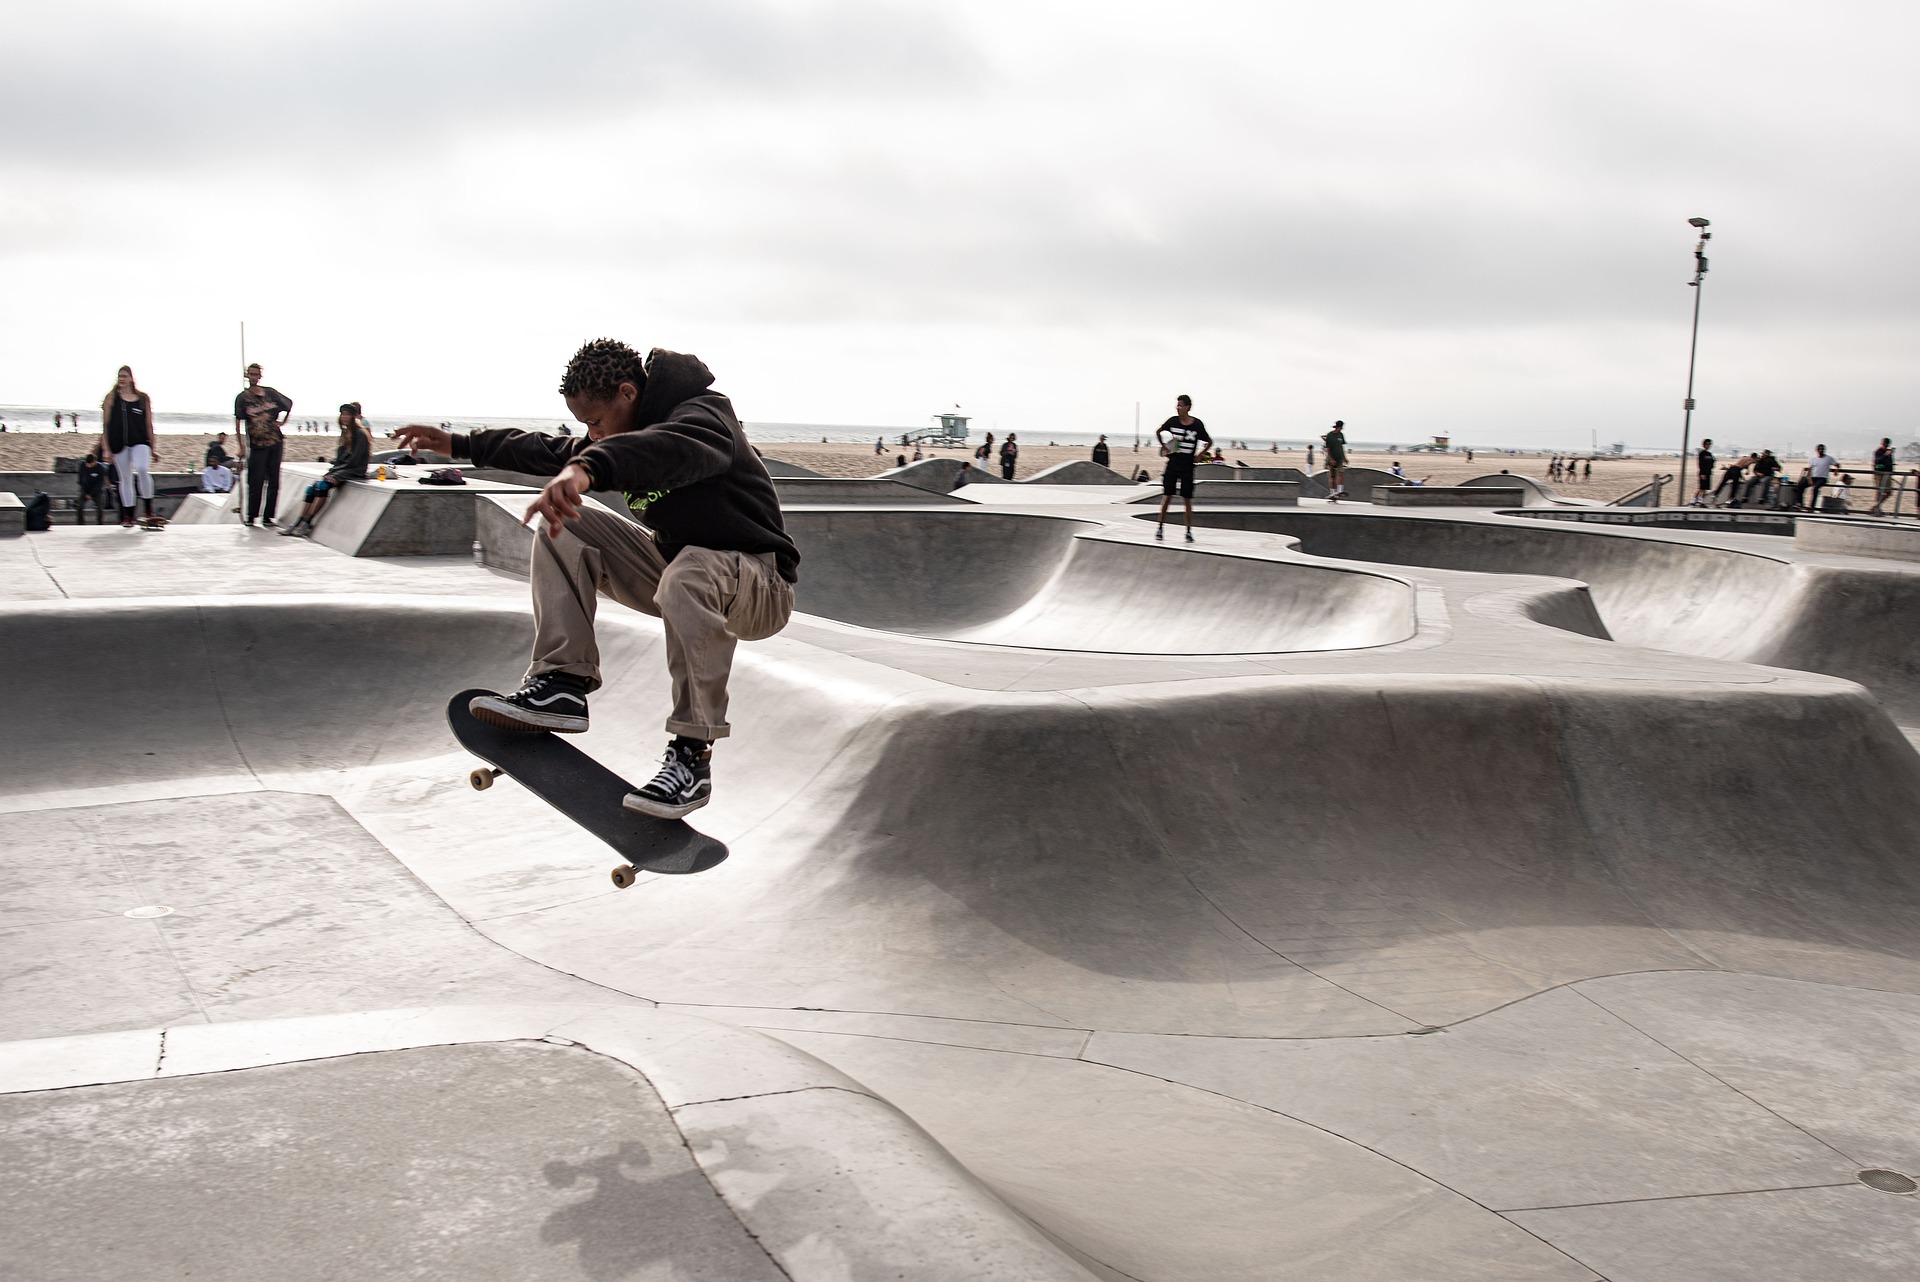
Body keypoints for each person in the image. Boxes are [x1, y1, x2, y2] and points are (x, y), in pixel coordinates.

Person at [392, 340, 797, 819]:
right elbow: (552, 450)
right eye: (586, 427)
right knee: (568, 524)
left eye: (596, 422)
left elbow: (665, 449)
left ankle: (693, 755)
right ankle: (563, 681)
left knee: (691, 571)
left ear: (628, 393)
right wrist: (460, 444)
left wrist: (588, 468)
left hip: (760, 585)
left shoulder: (704, 419)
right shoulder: (619, 432)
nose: (593, 435)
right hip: (678, 573)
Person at [281, 403, 372, 537]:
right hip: (343, 468)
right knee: (311, 489)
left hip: (354, 469)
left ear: (354, 417)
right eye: (343, 414)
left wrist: (336, 471)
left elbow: (355, 460)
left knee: (323, 485)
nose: (345, 417)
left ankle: (308, 522)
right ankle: (298, 522)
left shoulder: (360, 434)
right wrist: (334, 468)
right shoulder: (346, 433)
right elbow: (340, 457)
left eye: (348, 415)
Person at [234, 363, 294, 526]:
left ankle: (268, 516)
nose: (253, 377)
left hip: (275, 441)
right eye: (251, 374)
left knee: (274, 480)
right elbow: (238, 422)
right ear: (247, 376)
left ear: (260, 376)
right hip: (256, 443)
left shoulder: (271, 393)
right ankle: (251, 516)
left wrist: (282, 423)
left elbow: (289, 404)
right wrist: (241, 446)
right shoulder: (242, 397)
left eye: (256, 374)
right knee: (255, 480)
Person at [101, 365, 157, 526]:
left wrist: (153, 448)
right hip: (119, 444)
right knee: (125, 479)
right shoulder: (111, 398)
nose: (122, 379)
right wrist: (106, 449)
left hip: (140, 442)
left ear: (132, 378)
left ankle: (148, 509)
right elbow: (105, 425)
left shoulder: (142, 398)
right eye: (120, 376)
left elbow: (149, 424)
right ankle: (129, 515)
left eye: (125, 376)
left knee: (141, 468)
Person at [1153, 394, 1211, 541]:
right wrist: (1165, 447)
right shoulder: (1173, 422)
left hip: (1187, 466)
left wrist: (1200, 454)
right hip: (1173, 464)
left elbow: (1209, 441)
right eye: (1177, 405)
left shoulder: (1197, 425)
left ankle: (1189, 531)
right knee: (1167, 496)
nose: (1178, 408)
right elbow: (1158, 432)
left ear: (1188, 407)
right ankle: (1160, 527)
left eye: (1181, 405)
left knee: (1187, 499)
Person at [76, 448, 112, 525]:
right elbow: (81, 479)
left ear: (95, 462)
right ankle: (80, 523)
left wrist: (92, 494)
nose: (89, 466)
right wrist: (84, 491)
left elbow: (100, 483)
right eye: (87, 464)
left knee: (99, 507)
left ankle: (100, 523)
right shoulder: (82, 466)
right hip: (85, 489)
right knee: (80, 506)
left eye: (90, 464)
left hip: (96, 490)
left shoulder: (100, 468)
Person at [1322, 420, 1349, 501]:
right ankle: (1332, 492)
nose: (1340, 430)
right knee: (1332, 477)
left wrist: (1345, 458)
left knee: (1341, 473)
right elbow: (1328, 449)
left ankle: (1340, 491)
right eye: (1340, 428)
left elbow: (1341, 447)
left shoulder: (1341, 435)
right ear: (1337, 427)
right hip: (1331, 459)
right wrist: (1331, 459)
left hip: (1339, 458)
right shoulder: (1330, 435)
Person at [1806, 444, 1836, 513]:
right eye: (1819, 449)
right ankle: (1799, 503)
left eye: (1822, 449)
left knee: (1815, 488)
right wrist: (1809, 479)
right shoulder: (1813, 459)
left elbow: (1836, 464)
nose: (1821, 451)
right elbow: (1810, 470)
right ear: (1817, 450)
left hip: (1822, 478)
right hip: (1813, 477)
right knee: (1801, 484)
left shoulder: (1828, 458)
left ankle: (1812, 506)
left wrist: (1835, 471)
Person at [1870, 437, 1896, 515]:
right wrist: (1885, 455)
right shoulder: (1878, 451)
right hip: (1879, 473)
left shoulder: (1888, 452)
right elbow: (1877, 461)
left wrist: (1891, 472)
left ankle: (1876, 506)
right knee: (1879, 491)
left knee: (1889, 492)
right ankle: (1877, 508)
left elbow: (1890, 463)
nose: (1886, 445)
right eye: (1885, 444)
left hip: (1887, 473)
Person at [1692, 439, 1715, 505]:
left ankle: (1701, 501)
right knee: (1701, 488)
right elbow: (1700, 464)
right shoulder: (1702, 454)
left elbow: (1712, 463)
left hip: (1708, 472)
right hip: (1703, 473)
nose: (1708, 446)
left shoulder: (1709, 454)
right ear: (1704, 445)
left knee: (1705, 488)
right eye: (1707, 444)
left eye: (1709, 444)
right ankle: (1693, 500)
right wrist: (1702, 473)